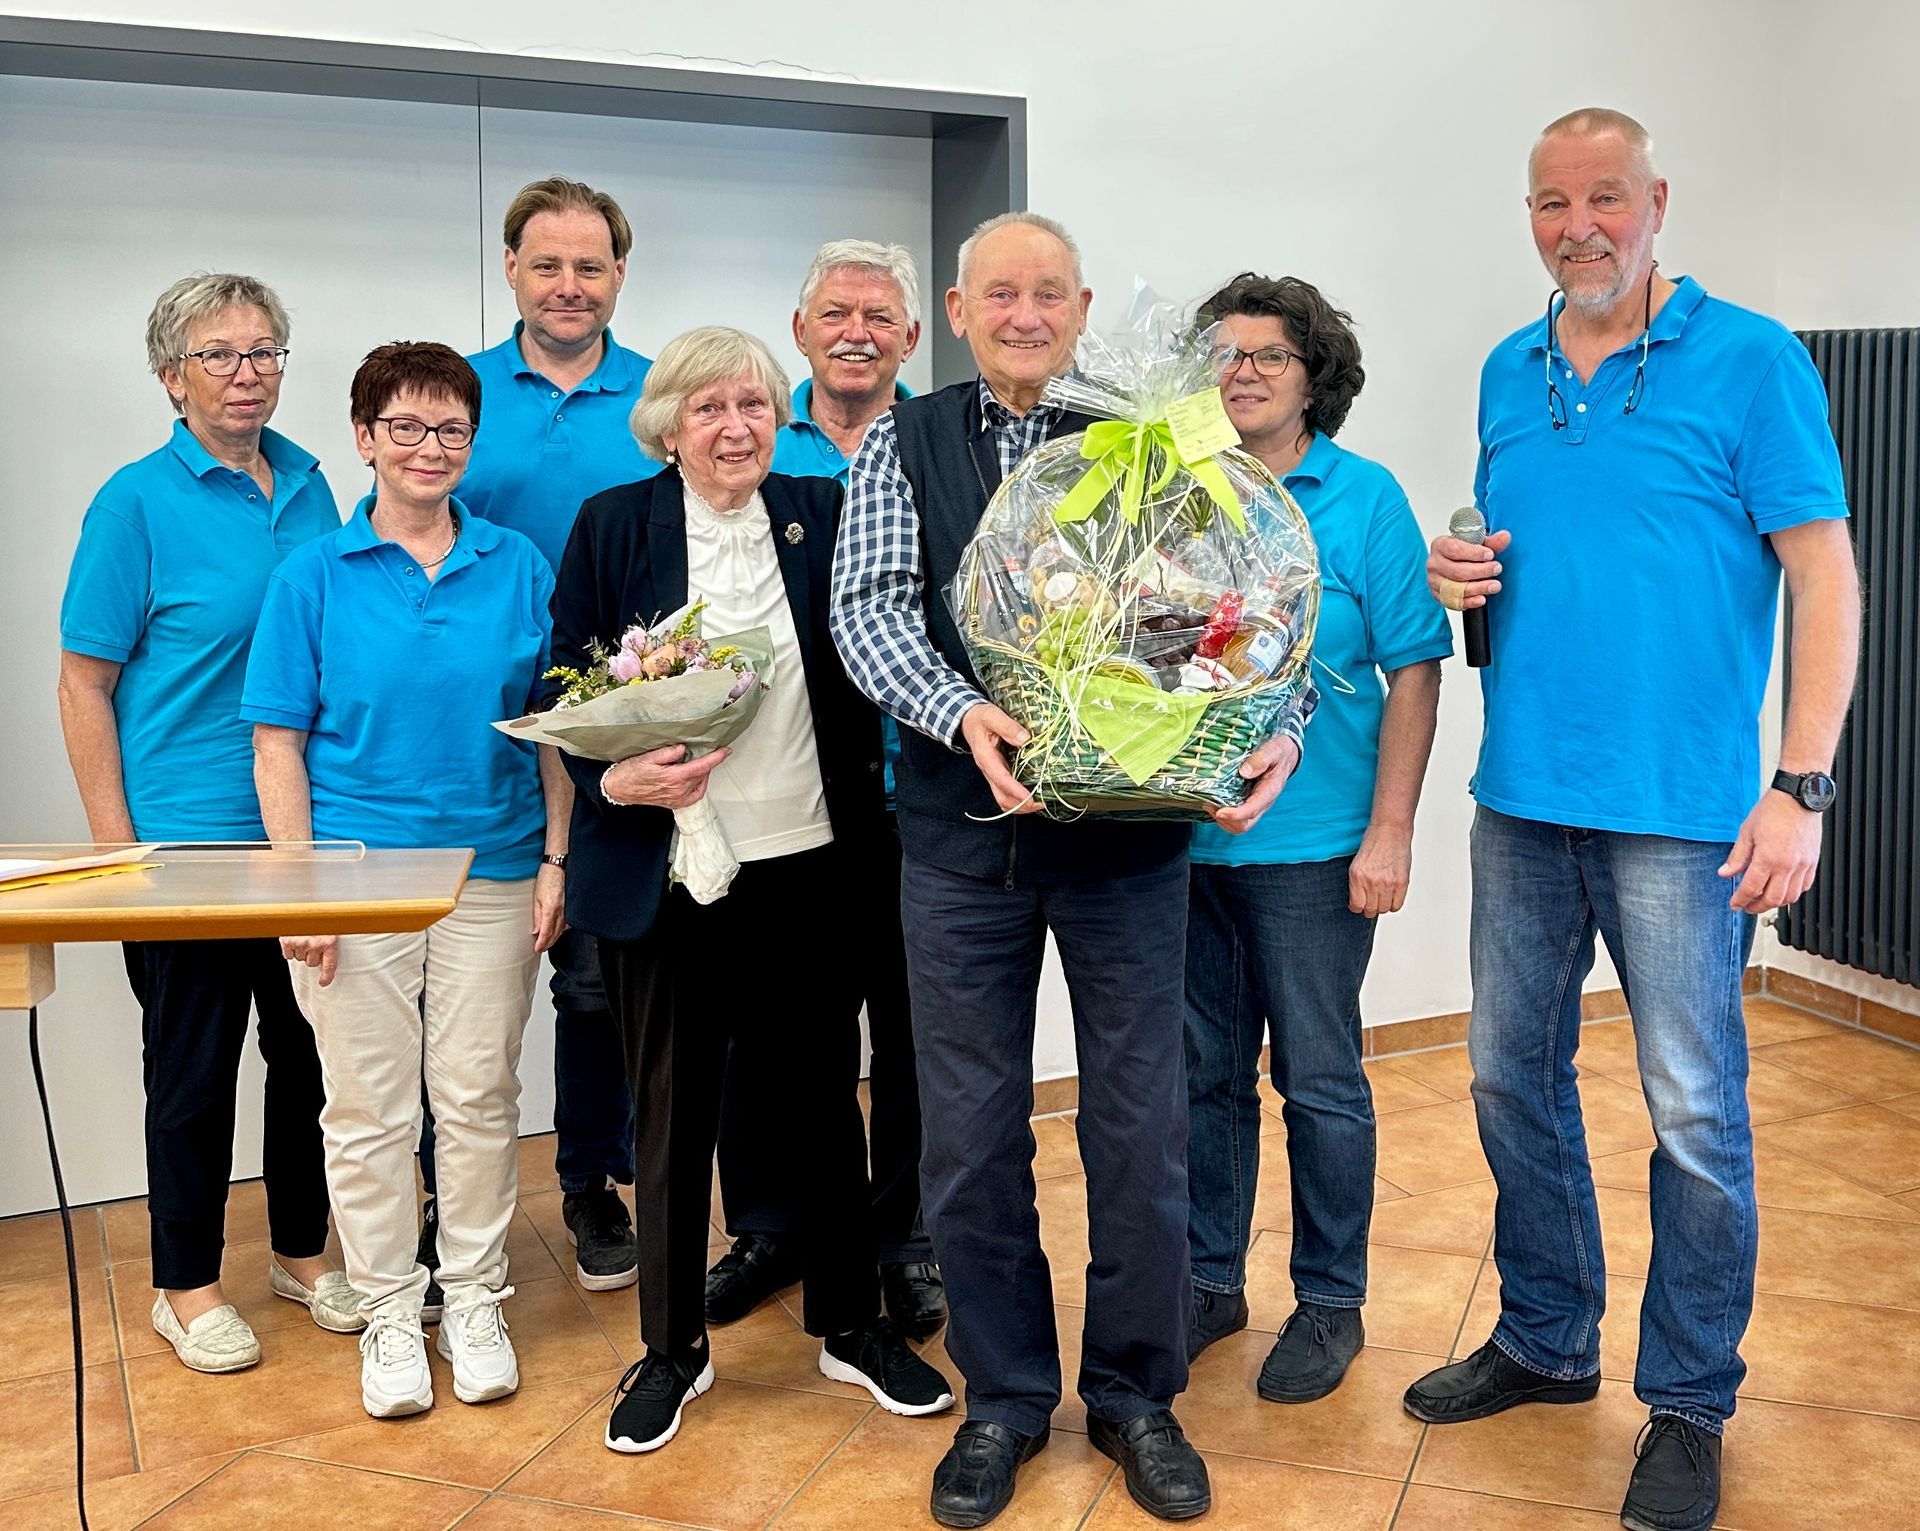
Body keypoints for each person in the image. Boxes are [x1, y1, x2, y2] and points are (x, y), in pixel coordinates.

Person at [1404, 109, 1860, 1531]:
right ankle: (1547, 1336)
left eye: (1606, 197)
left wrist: (1800, 785)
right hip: (1522, 799)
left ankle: (1689, 1397)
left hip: (1685, 816)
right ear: (1529, 218)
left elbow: (1825, 577)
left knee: (1695, 1114)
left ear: (1658, 201)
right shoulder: (1510, 367)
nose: (1579, 226)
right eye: (1553, 203)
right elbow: (1526, 558)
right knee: (1507, 1080)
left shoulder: (1754, 359)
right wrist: (1460, 573)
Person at [831, 212, 1308, 1528]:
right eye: (1002, 294)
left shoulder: (1152, 433)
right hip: (959, 844)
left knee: (1141, 1128)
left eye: (1049, 292)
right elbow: (868, 607)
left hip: (1129, 847)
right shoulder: (904, 442)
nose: (1026, 314)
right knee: (970, 1136)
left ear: (1085, 308)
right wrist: (961, 711)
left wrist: (1274, 721)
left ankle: (1137, 1392)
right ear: (958, 310)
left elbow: (1249, 601)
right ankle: (1002, 1395)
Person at [548, 325, 955, 1457]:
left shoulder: (821, 512)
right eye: (710, 407)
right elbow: (563, 680)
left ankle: (851, 1323)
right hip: (670, 867)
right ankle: (671, 1348)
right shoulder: (612, 523)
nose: (736, 428)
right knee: (672, 1112)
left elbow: (881, 644)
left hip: (814, 859)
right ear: (668, 425)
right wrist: (613, 775)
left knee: (824, 1100)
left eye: (756, 406)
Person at [244, 342, 568, 1419]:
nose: (431, 447)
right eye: (407, 426)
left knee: (477, 1096)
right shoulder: (311, 576)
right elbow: (277, 744)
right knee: (368, 1105)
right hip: (356, 880)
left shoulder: (518, 564)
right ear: (365, 437)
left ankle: (472, 1296)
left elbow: (557, 731)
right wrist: (302, 889)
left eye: (452, 429)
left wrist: (557, 860)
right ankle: (388, 1306)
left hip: (494, 869)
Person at [56, 272, 355, 1374]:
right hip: (184, 841)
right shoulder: (133, 503)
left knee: (309, 1056)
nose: (248, 374)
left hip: (302, 833)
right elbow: (83, 683)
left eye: (264, 351)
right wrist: (116, 849)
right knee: (192, 1070)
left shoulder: (314, 485)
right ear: (170, 377)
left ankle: (302, 1251)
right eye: (220, 355)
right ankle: (184, 1286)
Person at [1183, 274, 1449, 1401]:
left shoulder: (1363, 496)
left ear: (1313, 376)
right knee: (1202, 1076)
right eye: (1224, 354)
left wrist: (1390, 830)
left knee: (1320, 1080)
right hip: (1184, 843)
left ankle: (1330, 1300)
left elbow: (1415, 669)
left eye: (1270, 355)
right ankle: (1207, 1280)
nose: (1243, 373)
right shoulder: (1175, 490)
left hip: (1316, 847)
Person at [707, 238, 945, 1339]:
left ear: (912, 335)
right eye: (836, 314)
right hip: (781, 796)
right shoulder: (751, 431)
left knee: (913, 1031)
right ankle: (771, 1228)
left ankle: (904, 1239)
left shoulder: (941, 444)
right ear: (799, 330)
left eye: (879, 316)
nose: (857, 332)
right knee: (768, 1030)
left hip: (918, 790)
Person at [452, 175, 661, 1296]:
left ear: (619, 275)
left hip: (612, 739)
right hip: (470, 746)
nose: (568, 285)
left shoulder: (663, 399)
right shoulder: (459, 395)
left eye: (589, 265)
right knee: (455, 993)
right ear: (512, 270)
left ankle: (591, 1181)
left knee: (593, 980)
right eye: (547, 264)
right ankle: (439, 1202)